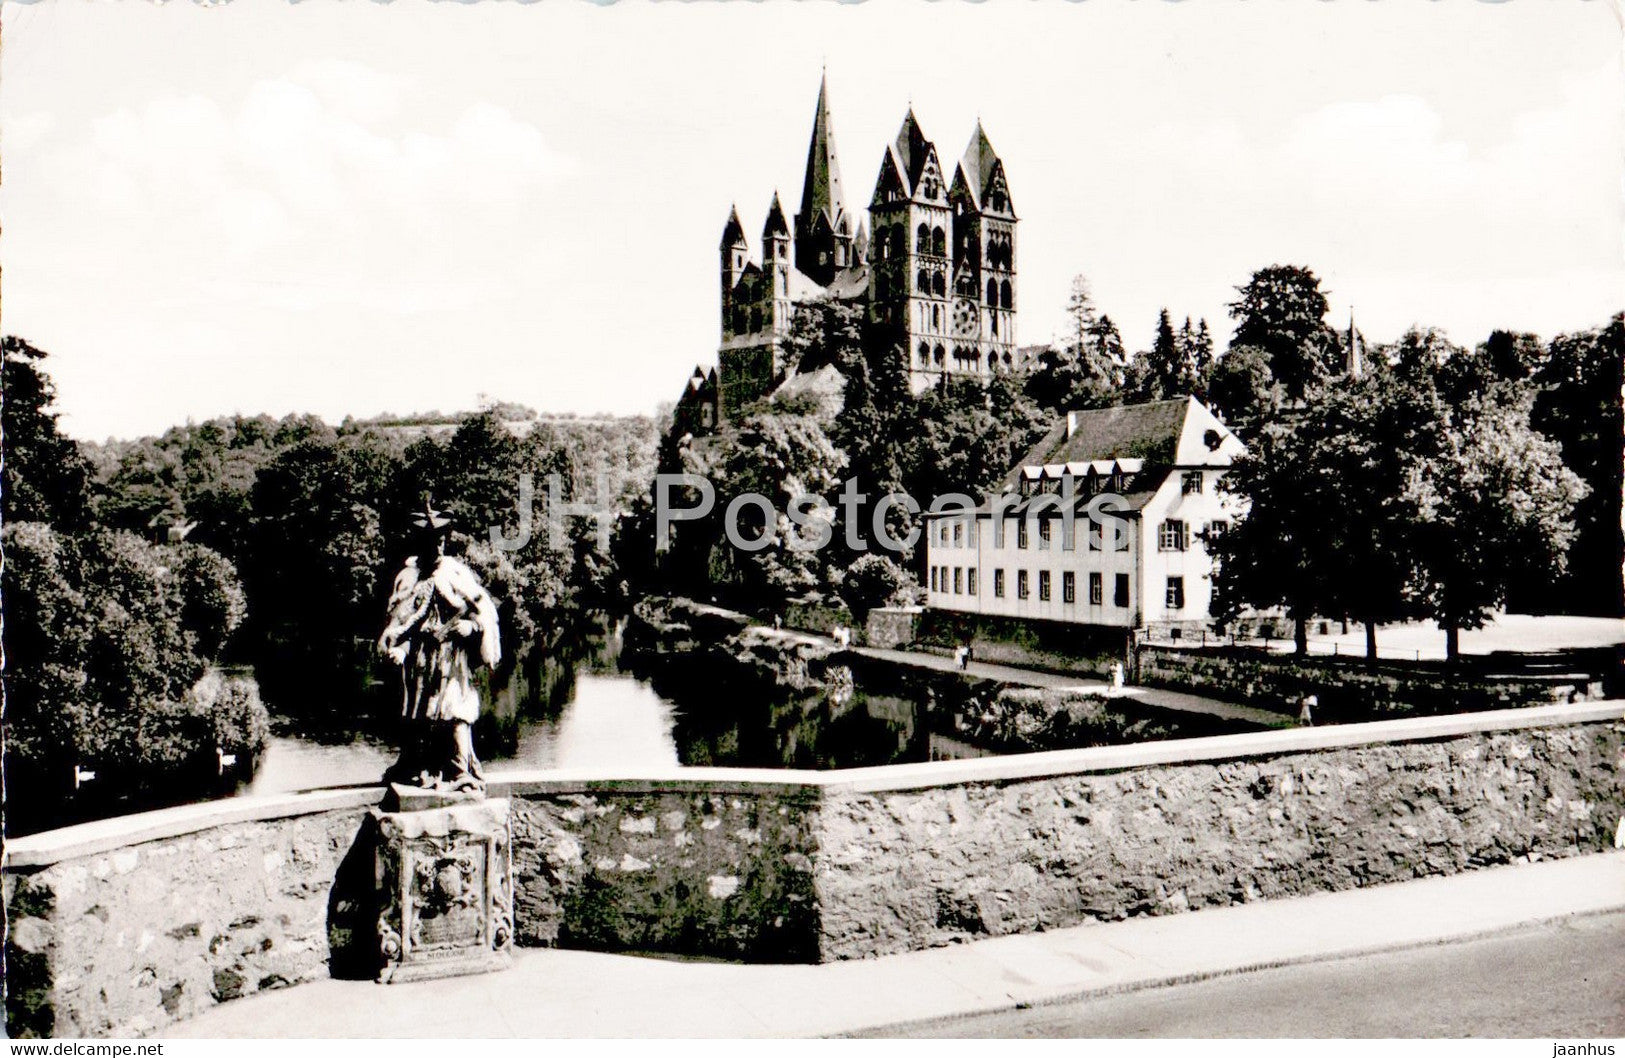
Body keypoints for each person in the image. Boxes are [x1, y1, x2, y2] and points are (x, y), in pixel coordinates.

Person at [379, 499, 503, 791]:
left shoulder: (455, 574)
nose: (438, 547)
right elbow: (403, 624)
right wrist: (397, 648)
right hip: (420, 661)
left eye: (441, 541)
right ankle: (416, 766)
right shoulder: (409, 578)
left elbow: (479, 612)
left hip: (451, 657)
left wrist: (469, 627)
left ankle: (461, 770)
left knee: (454, 710)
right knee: (418, 713)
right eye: (431, 542)